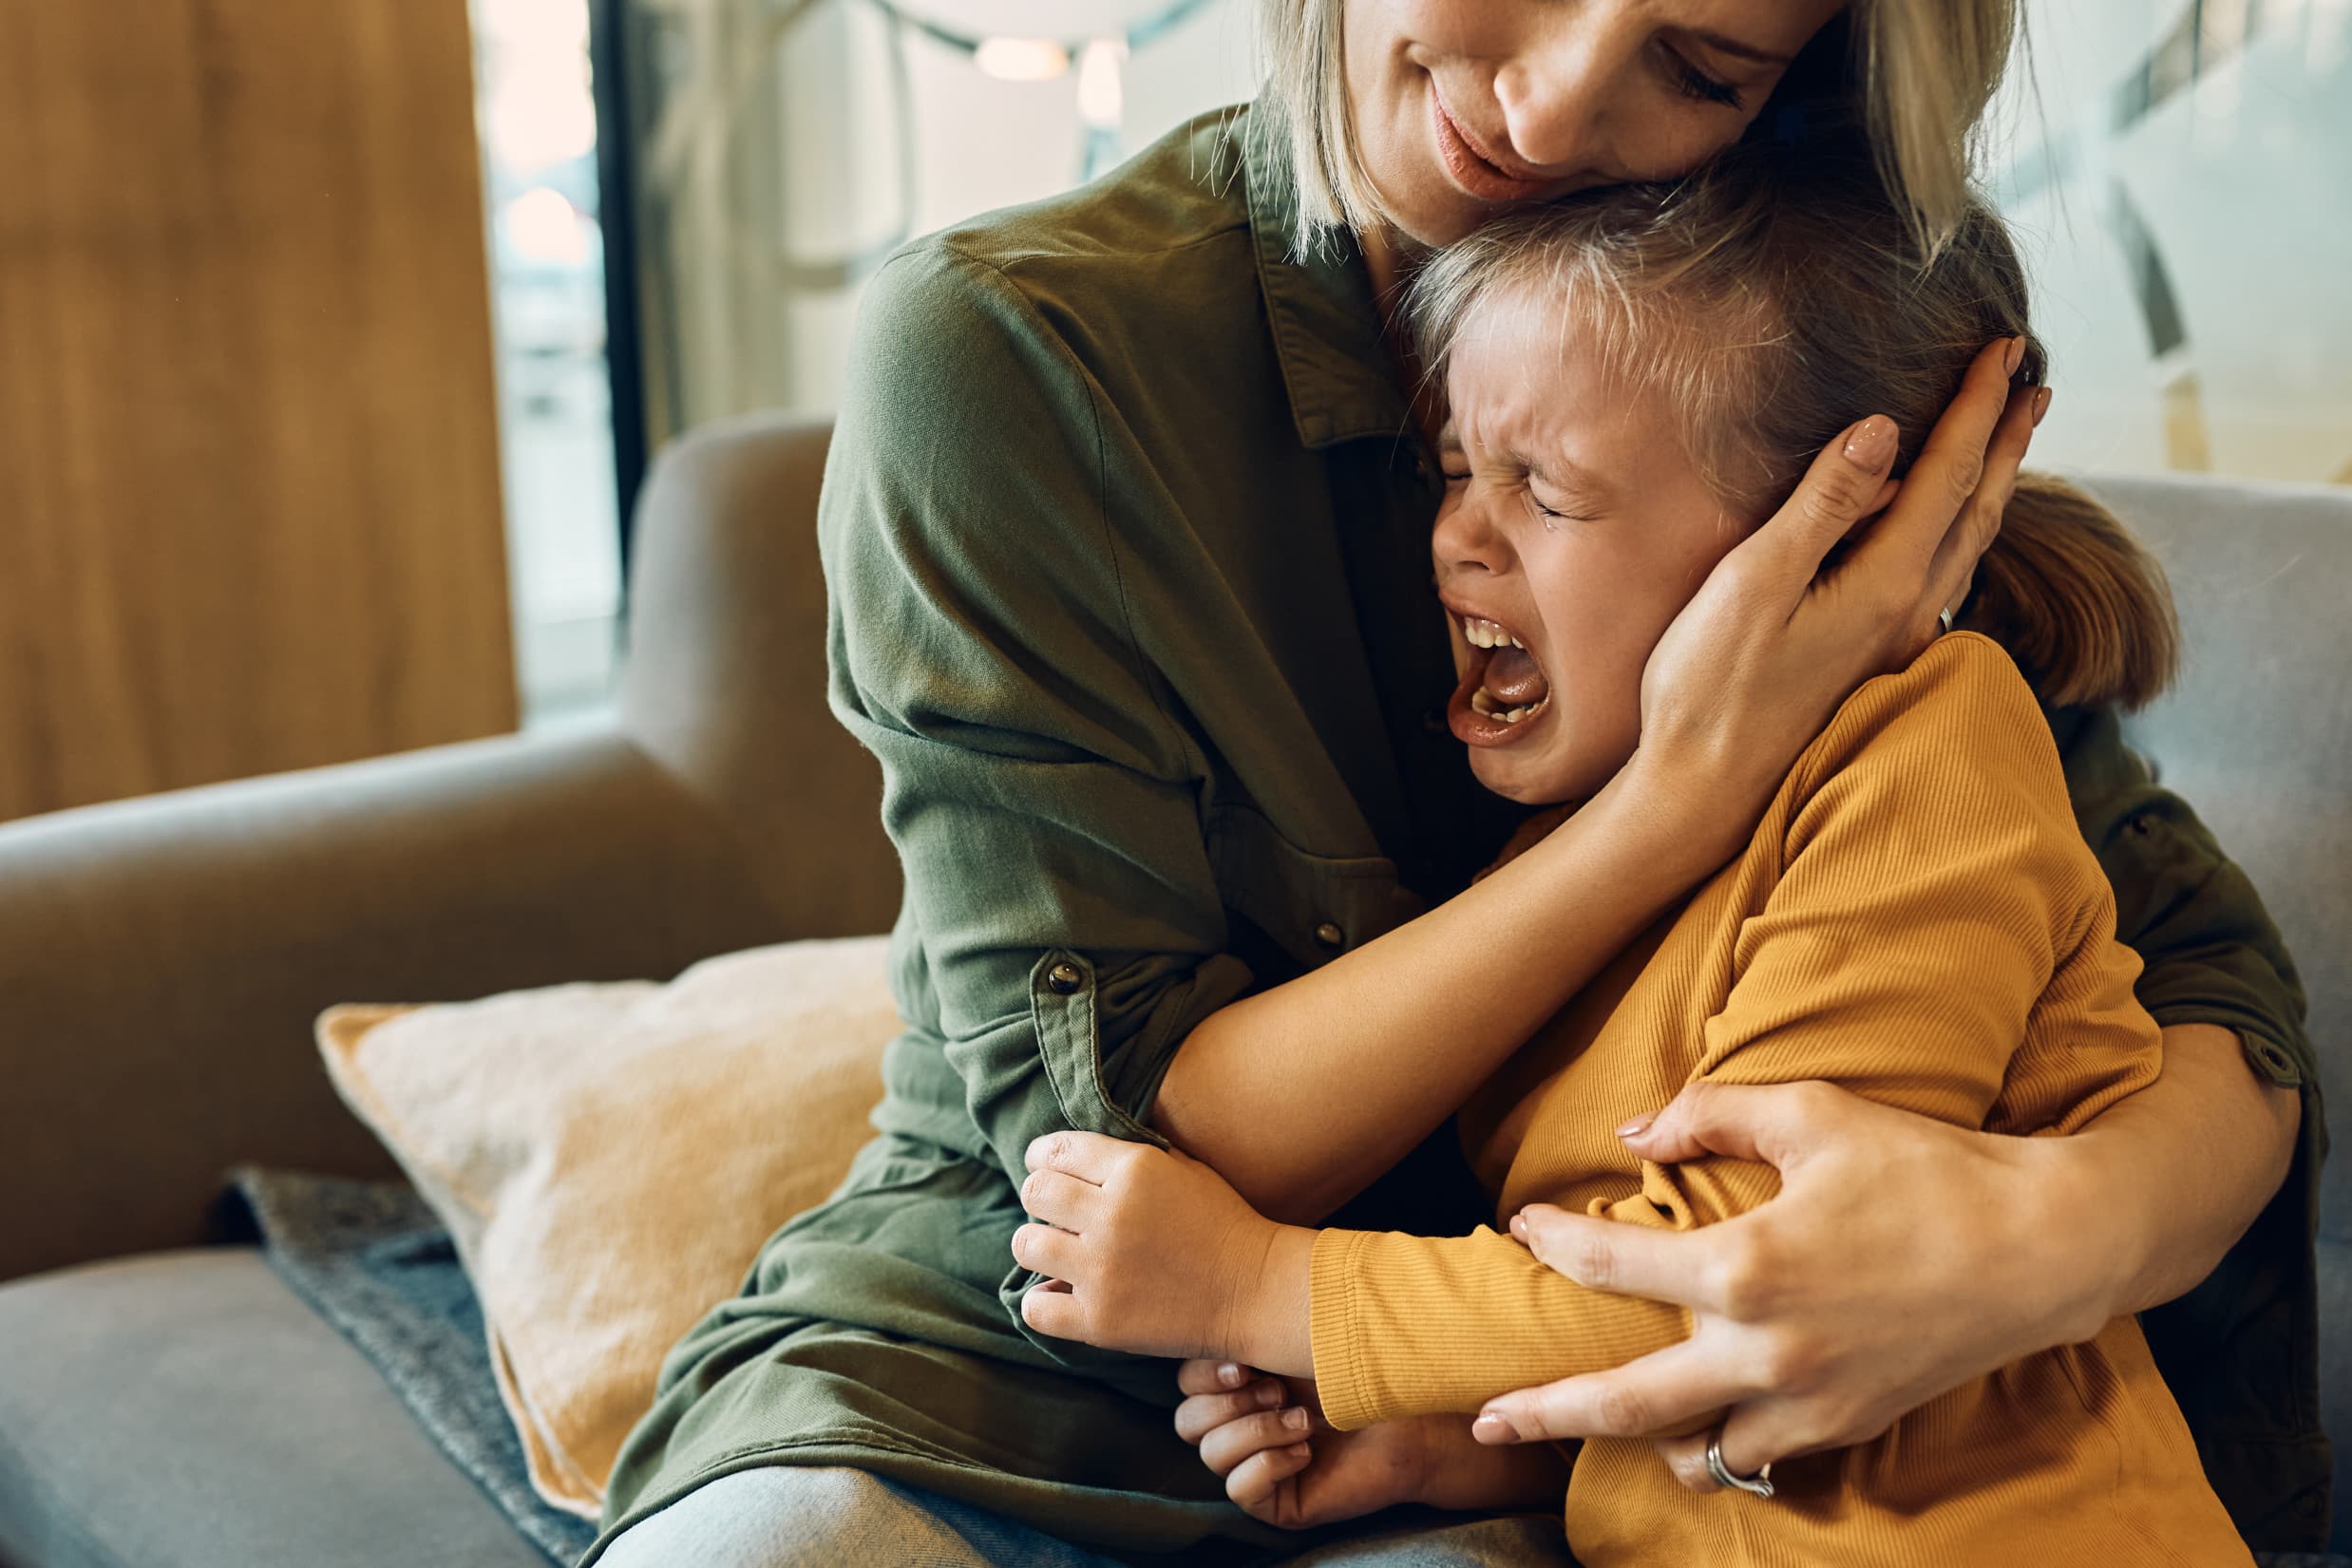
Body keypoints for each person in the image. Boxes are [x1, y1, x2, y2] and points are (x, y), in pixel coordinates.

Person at [586, 3, 2323, 1563]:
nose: (1556, 110)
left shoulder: (1787, 344)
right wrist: (1675, 802)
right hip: (1056, 1354)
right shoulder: (1018, 350)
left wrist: (2032, 1244)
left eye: (1700, 63)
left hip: (1551, 1411)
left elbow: (2203, 988)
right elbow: (1112, 1153)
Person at [1006, 127, 2255, 1566]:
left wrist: (1261, 1288)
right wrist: (1444, 1450)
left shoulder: (1926, 756)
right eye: (1456, 469)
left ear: (1826, 546)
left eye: (1544, 490)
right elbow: (1668, 1343)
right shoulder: (1566, 857)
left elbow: (1746, 1282)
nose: (1457, 541)